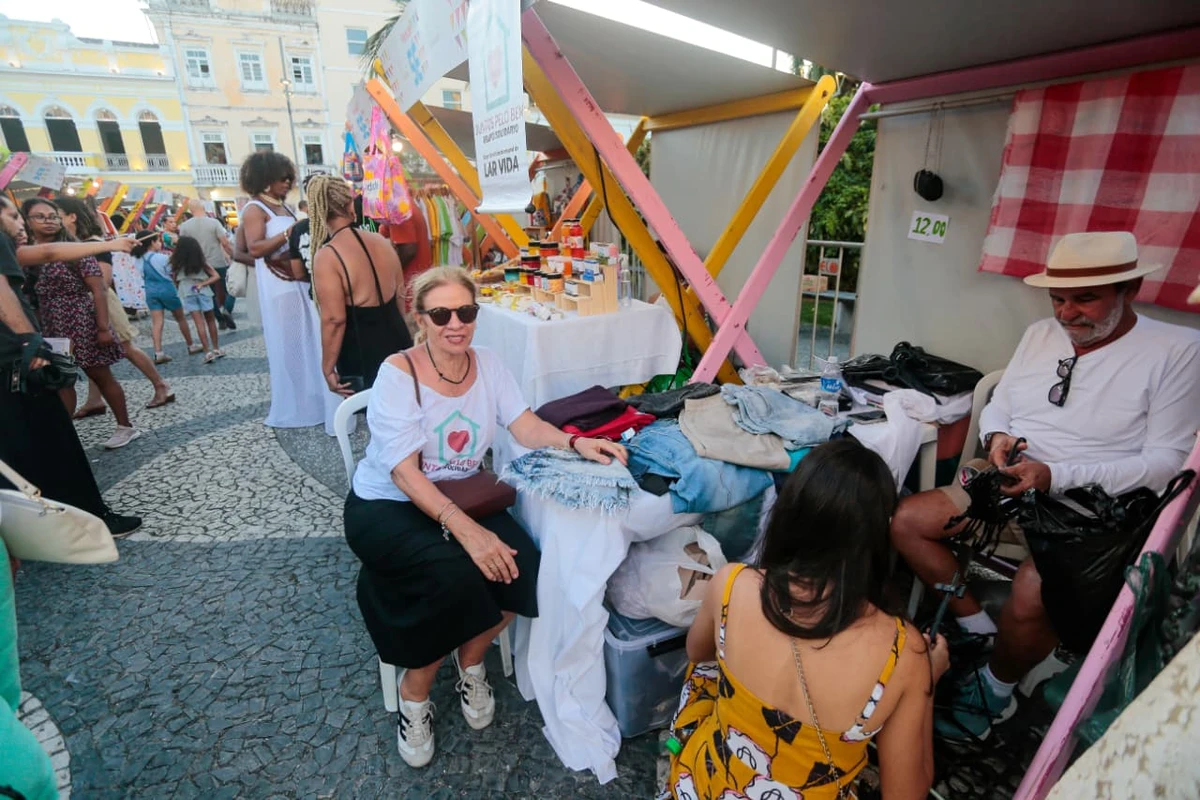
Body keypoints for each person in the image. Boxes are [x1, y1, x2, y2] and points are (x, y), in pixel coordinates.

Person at [891, 231, 1200, 741]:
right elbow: (1000, 404)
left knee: (1037, 589)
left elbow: (1166, 461)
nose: (1067, 314)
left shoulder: (1178, 350)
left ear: (1132, 288)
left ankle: (994, 689)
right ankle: (978, 631)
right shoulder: (1039, 334)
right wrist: (997, 438)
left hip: (1096, 504)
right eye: (1058, 299)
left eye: (1085, 299)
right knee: (908, 521)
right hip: (1013, 478)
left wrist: (1058, 474)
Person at [344, 266, 627, 768]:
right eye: (441, 313)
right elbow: (405, 475)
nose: (456, 323)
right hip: (388, 505)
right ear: (420, 317)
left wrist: (576, 442)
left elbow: (525, 425)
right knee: (453, 574)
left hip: (462, 495)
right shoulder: (398, 372)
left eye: (467, 312)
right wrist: (468, 533)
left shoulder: (489, 363)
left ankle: (470, 662)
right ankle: (416, 692)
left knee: (527, 566)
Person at [664, 439, 948, 800]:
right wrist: (927, 683)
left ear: (790, 512)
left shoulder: (732, 584)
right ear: (878, 536)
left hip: (706, 783)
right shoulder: (903, 653)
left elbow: (698, 653)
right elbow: (905, 794)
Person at [0, 195, 142, 535]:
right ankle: (91, 521)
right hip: (15, 359)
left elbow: (51, 252)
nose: (19, 221)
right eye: (12, 213)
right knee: (56, 442)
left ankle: (30, 527)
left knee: (17, 448)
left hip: (11, 359)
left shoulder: (18, 248)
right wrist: (30, 342)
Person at [21, 199, 139, 450]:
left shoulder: (75, 250)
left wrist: (103, 327)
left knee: (99, 373)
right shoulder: (24, 252)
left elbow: (99, 289)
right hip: (51, 325)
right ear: (27, 221)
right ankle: (64, 434)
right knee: (61, 380)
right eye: (40, 217)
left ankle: (125, 426)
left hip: (80, 320)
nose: (49, 220)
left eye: (53, 215)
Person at [239, 151, 338, 434]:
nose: (287, 183)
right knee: (291, 345)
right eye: (283, 178)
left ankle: (314, 397)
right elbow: (253, 248)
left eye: (289, 178)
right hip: (280, 286)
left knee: (309, 340)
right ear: (266, 179)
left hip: (299, 281)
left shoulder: (284, 208)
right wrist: (289, 235)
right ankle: (298, 403)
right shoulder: (255, 209)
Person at [55, 197, 174, 414]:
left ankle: (161, 386)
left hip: (102, 303)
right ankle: (94, 400)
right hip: (84, 304)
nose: (55, 220)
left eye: (58, 216)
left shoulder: (93, 243)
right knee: (91, 355)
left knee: (126, 346)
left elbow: (103, 279)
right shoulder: (74, 243)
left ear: (72, 217)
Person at [308, 175, 413, 396]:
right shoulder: (382, 242)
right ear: (349, 204)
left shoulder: (328, 256)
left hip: (362, 348)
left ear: (318, 209)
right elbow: (400, 297)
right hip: (398, 335)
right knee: (404, 405)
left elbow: (334, 319)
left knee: (374, 413)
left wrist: (327, 366)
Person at [134, 231, 198, 363]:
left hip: (150, 291)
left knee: (157, 322)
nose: (160, 243)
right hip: (167, 289)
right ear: (152, 242)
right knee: (180, 318)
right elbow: (171, 271)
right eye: (158, 241)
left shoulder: (138, 259)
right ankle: (191, 345)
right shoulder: (161, 258)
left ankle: (158, 352)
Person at [179, 199, 236, 330]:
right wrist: (234, 255)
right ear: (203, 208)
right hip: (218, 261)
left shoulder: (185, 226)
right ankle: (227, 309)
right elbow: (225, 243)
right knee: (229, 289)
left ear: (190, 210)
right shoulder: (214, 222)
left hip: (198, 265)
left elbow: (183, 247)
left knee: (209, 293)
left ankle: (220, 319)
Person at [170, 236, 224, 364]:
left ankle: (207, 352)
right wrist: (203, 284)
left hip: (187, 291)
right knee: (210, 320)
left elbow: (175, 278)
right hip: (203, 290)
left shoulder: (176, 262)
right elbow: (216, 276)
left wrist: (179, 287)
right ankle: (216, 348)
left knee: (198, 323)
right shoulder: (200, 260)